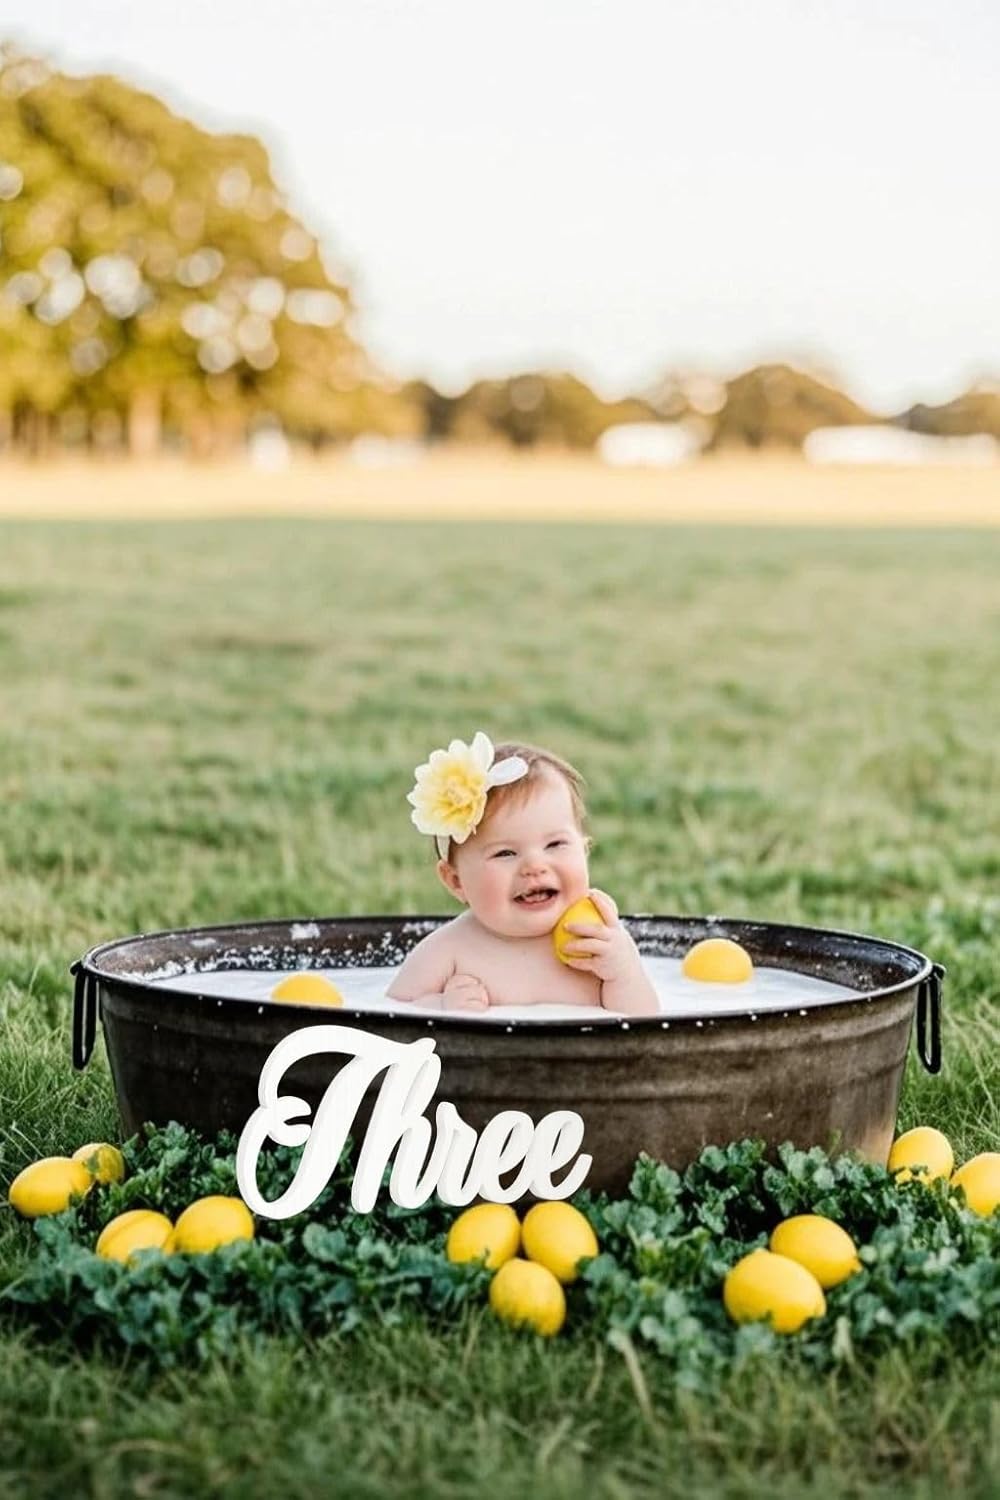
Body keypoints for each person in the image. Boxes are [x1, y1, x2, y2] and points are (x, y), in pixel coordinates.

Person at [386, 731, 660, 1016]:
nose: (534, 866)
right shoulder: (447, 951)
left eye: (555, 844)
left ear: (584, 850)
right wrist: (440, 1007)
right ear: (456, 881)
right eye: (505, 853)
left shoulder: (598, 941)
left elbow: (644, 1021)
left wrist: (623, 974)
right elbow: (391, 1016)